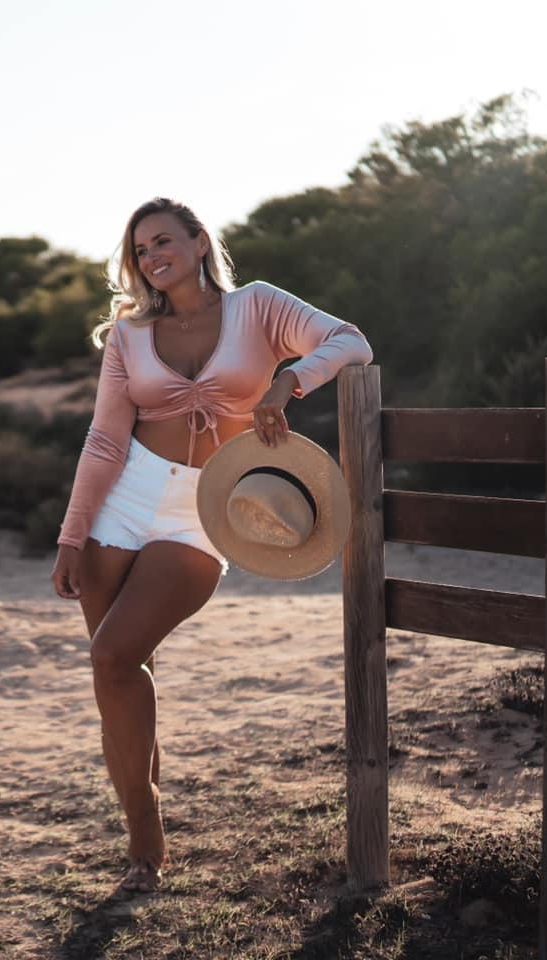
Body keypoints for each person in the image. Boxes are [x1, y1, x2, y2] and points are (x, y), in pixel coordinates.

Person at [50, 197, 373, 892]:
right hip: (123, 500)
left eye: (163, 242)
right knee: (119, 675)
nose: (151, 258)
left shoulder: (258, 307)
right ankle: (143, 839)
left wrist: (287, 381)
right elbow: (105, 440)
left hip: (206, 508)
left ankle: (145, 837)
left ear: (200, 242)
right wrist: (72, 535)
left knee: (113, 655)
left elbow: (351, 341)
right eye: (140, 250)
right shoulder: (129, 336)